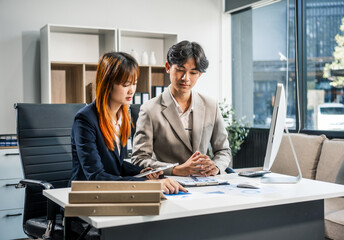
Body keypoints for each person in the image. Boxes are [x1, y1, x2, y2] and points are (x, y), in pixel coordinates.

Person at [68, 52, 186, 194]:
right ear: (107, 84)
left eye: (134, 83)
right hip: (86, 196)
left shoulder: (123, 116)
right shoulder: (85, 120)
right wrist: (148, 183)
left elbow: (115, 166)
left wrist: (142, 172)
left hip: (111, 192)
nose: (132, 90)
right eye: (125, 84)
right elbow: (96, 176)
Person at [131, 41, 231, 176]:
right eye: (180, 70)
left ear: (200, 74)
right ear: (168, 67)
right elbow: (139, 159)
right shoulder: (149, 109)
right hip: (171, 184)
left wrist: (217, 167)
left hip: (206, 183)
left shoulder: (211, 105)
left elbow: (223, 150)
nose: (186, 78)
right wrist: (175, 169)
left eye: (193, 72)